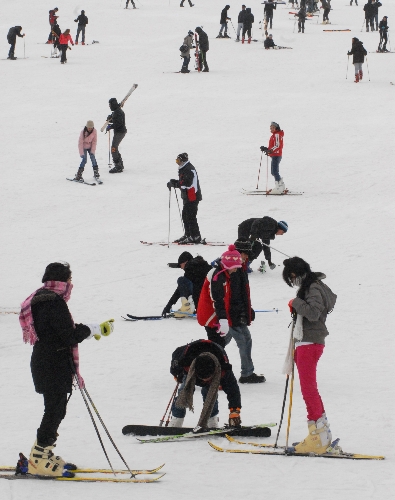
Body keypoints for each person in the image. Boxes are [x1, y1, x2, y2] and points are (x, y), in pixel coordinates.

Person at [19, 262, 115, 477]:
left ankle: (42, 453)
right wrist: (93, 329)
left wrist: (87, 330)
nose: (71, 283)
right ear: (62, 280)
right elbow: (68, 335)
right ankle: (39, 458)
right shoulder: (53, 301)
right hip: (53, 362)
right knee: (54, 409)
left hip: (47, 359)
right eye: (69, 279)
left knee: (55, 408)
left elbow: (60, 330)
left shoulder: (40, 298)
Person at [283, 257, 337, 454]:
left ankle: (318, 437)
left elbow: (314, 313)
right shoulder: (315, 285)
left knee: (308, 389)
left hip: (308, 342)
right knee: (309, 388)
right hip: (310, 341)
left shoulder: (312, 287)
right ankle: (320, 432)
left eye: (292, 277)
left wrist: (296, 302)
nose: (292, 281)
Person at [197, 245, 265, 384]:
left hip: (223, 315)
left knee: (220, 344)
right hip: (213, 317)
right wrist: (223, 319)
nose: (237, 269)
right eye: (235, 266)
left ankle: (207, 371)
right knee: (219, 345)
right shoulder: (218, 277)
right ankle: (210, 373)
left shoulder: (226, 274)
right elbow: (217, 300)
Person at [168, 340, 242, 429]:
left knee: (210, 394)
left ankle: (212, 421)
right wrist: (176, 374)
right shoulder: (185, 362)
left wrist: (234, 412)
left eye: (207, 379)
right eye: (202, 378)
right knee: (183, 392)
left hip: (215, 356)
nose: (204, 381)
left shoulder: (223, 369)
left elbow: (233, 391)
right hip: (192, 362)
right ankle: (176, 421)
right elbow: (175, 358)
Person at [162, 251, 212, 318]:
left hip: (202, 301)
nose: (181, 268)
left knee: (181, 280)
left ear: (185, 262)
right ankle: (189, 307)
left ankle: (187, 307)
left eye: (180, 265)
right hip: (210, 301)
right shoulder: (202, 266)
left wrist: (169, 305)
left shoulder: (190, 268)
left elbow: (179, 290)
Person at [167, 152, 203, 244]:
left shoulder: (189, 169)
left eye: (178, 160)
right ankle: (188, 234)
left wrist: (176, 184)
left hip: (193, 196)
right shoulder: (184, 168)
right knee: (185, 216)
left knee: (191, 216)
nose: (177, 163)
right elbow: (183, 181)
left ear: (183, 160)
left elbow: (188, 183)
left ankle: (195, 236)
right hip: (187, 196)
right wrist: (174, 182)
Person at [260, 121, 285, 194]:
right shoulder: (274, 135)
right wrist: (267, 149)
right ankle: (281, 185)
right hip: (275, 155)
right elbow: (274, 146)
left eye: (273, 127)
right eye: (270, 128)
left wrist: (270, 150)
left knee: (274, 171)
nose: (271, 129)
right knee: (273, 171)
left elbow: (277, 145)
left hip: (276, 155)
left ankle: (278, 187)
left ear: (276, 128)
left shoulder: (277, 134)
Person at [106, 97, 127, 173]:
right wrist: (110, 118)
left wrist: (110, 126)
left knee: (113, 148)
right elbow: (115, 119)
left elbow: (118, 124)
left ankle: (118, 166)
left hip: (120, 132)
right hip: (119, 132)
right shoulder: (116, 111)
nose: (109, 106)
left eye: (110, 104)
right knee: (115, 147)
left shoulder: (118, 112)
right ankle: (120, 164)